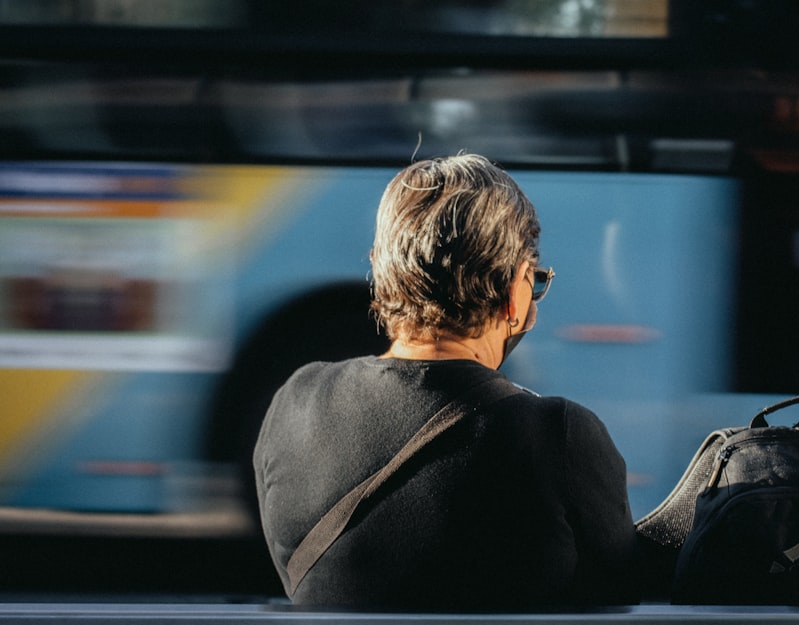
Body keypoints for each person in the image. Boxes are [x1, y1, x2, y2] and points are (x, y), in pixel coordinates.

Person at [253, 154, 639, 610]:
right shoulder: (560, 437)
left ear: (380, 272)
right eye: (534, 281)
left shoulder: (294, 406)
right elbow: (621, 593)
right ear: (514, 292)